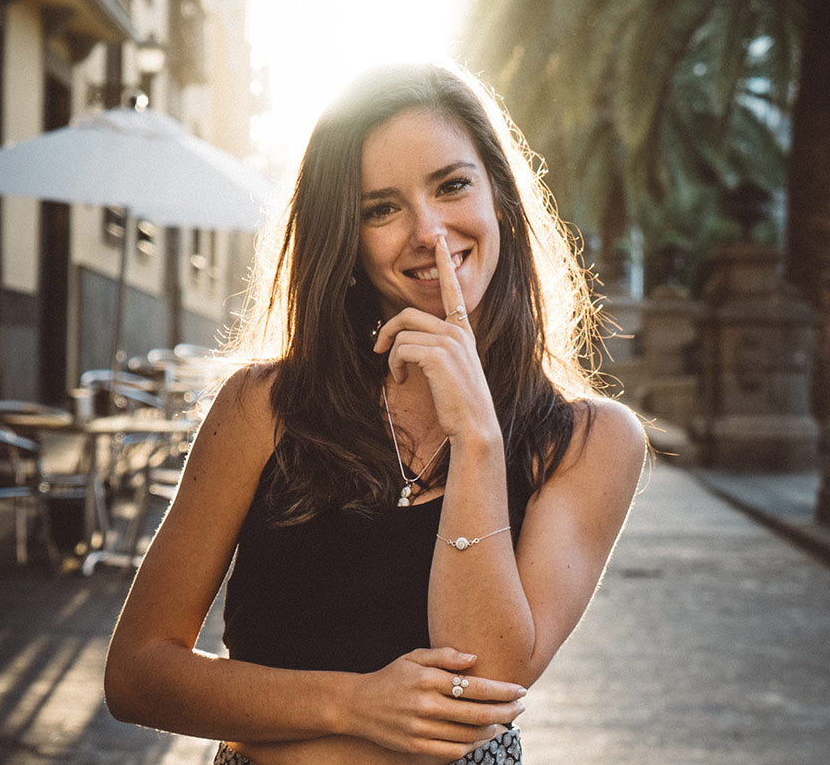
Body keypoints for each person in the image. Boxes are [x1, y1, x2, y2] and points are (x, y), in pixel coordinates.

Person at [104, 61, 646, 765]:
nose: (428, 231)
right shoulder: (264, 406)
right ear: (348, 241)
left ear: (501, 201)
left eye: (452, 185)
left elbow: (480, 681)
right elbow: (137, 671)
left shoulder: (588, 441)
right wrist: (352, 703)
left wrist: (477, 437)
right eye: (381, 208)